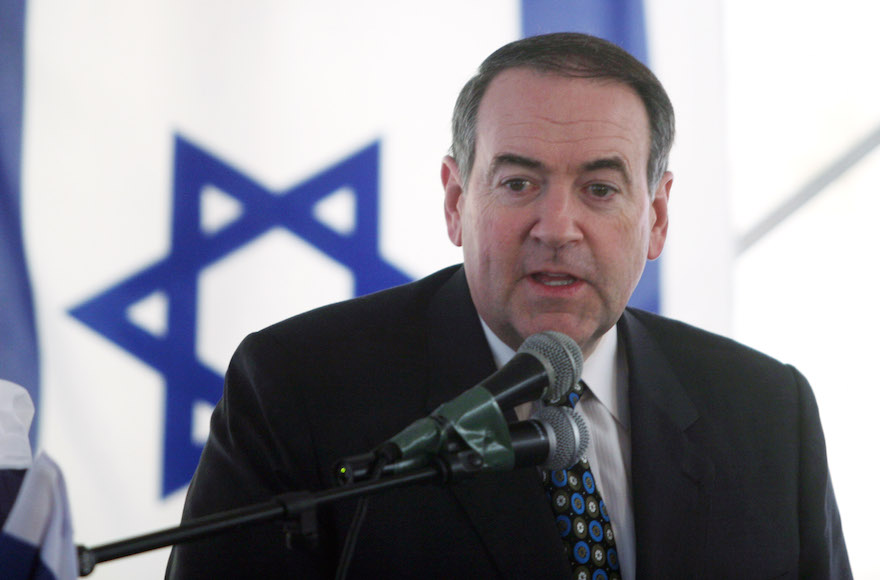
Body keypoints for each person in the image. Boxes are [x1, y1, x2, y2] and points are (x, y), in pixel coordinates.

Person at [166, 33, 850, 579]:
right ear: (457, 200)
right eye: (519, 182)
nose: (556, 226)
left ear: (659, 215)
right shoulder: (296, 389)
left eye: (601, 190)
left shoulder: (768, 411)